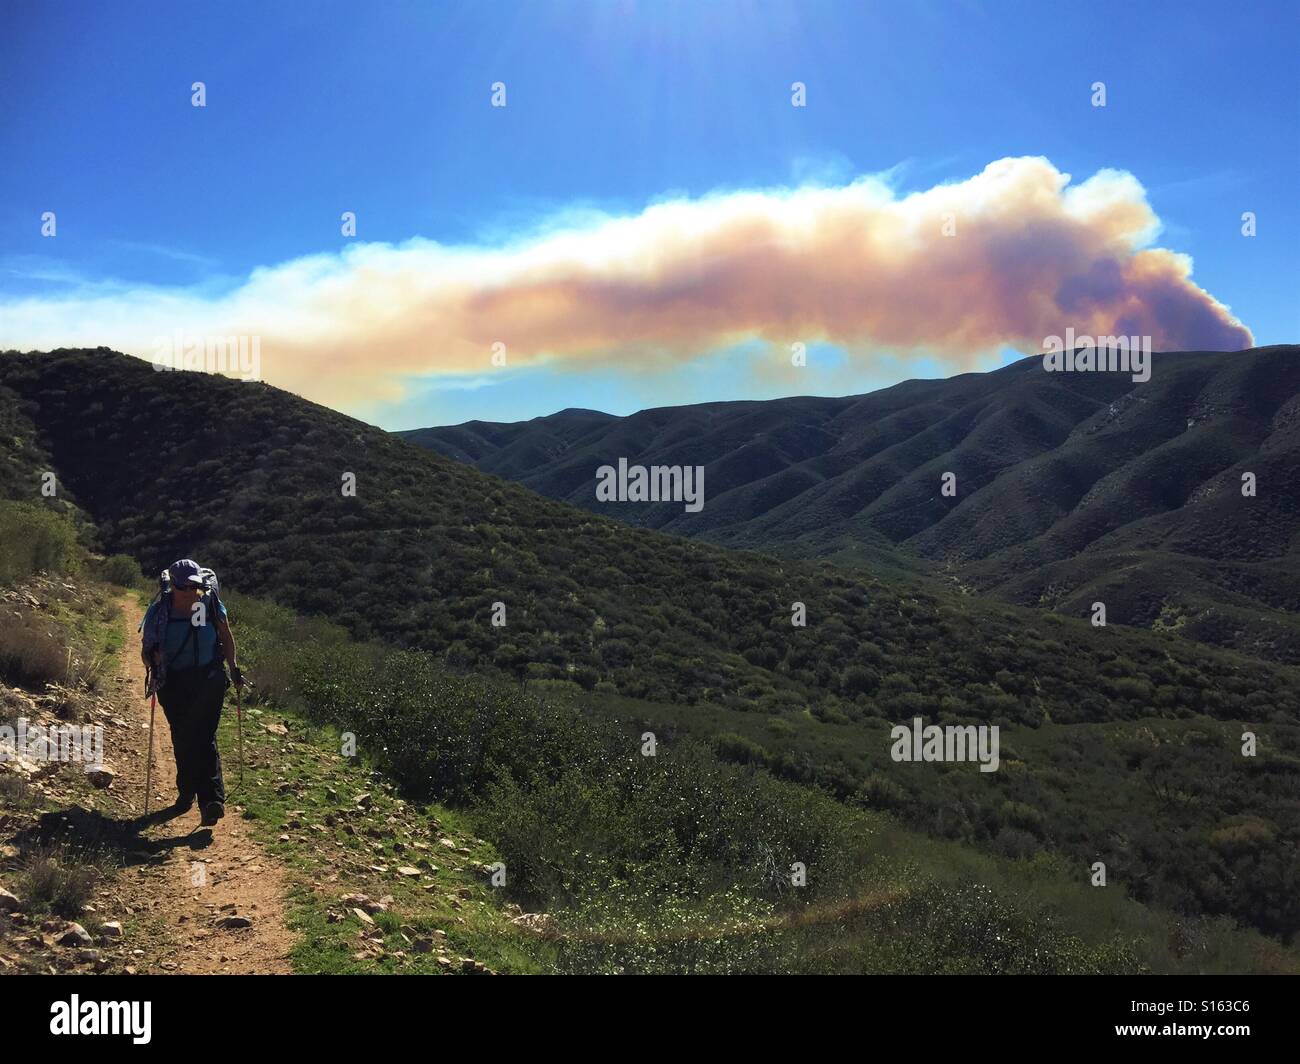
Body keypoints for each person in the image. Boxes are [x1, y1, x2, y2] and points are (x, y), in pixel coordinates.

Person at [140, 559, 243, 826]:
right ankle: (186, 792)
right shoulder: (159, 611)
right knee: (184, 738)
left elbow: (226, 635)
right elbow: (145, 652)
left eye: (194, 585)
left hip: (208, 678)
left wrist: (234, 668)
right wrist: (153, 657)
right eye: (183, 586)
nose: (190, 591)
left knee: (205, 736)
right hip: (174, 682)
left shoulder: (208, 604)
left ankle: (211, 801)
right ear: (172, 585)